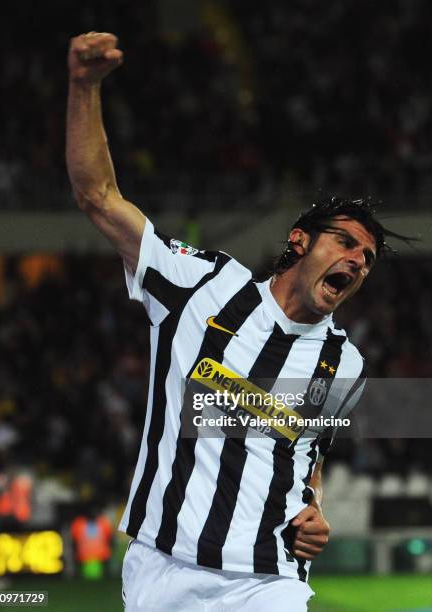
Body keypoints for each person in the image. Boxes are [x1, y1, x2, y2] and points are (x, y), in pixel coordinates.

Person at [66, 32, 408, 612]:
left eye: (367, 258)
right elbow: (99, 197)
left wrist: (314, 509)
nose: (356, 260)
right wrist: (82, 86)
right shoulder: (203, 284)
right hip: (163, 566)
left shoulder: (343, 364)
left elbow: (309, 453)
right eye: (345, 242)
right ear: (299, 241)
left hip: (267, 580)